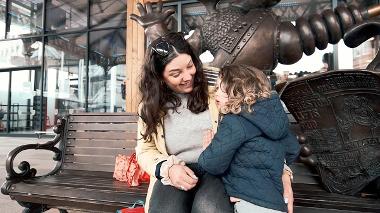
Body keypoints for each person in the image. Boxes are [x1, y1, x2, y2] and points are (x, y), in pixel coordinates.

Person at [136, 32, 295, 213]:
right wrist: (168, 168)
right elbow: (145, 149)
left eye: (190, 66)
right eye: (176, 73)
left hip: (222, 168)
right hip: (176, 170)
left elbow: (260, 122)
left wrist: (282, 173)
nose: (188, 76)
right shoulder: (150, 105)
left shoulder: (220, 83)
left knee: (209, 208)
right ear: (159, 77)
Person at [198, 65, 300, 213]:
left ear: (236, 92)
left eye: (220, 88)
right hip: (276, 200)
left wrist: (208, 149)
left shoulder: (234, 121)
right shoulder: (275, 116)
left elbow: (213, 164)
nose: (215, 93)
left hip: (249, 200)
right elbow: (292, 149)